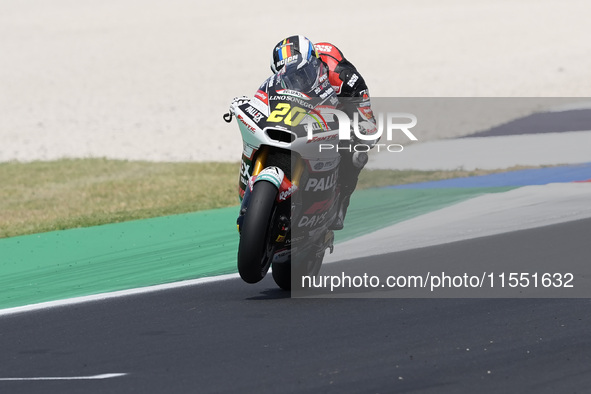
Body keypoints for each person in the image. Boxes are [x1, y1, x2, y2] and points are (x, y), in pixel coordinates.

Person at [270, 35, 378, 230]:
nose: (293, 78)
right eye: (286, 74)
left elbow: (369, 125)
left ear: (314, 62)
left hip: (340, 113)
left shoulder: (344, 78)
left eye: (300, 73)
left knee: (356, 154)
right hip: (301, 110)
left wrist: (360, 130)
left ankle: (340, 205)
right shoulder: (283, 74)